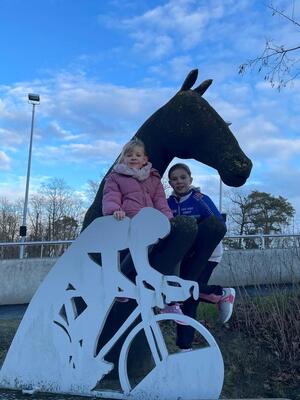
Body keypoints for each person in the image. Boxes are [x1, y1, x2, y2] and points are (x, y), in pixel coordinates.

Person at [102, 139, 198, 318]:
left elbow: (160, 202)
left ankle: (170, 297)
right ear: (123, 159)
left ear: (144, 159)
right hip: (130, 221)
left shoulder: (153, 179)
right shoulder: (116, 177)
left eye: (137, 155)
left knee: (172, 242)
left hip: (151, 222)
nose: (133, 158)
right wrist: (115, 210)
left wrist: (169, 220)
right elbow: (111, 196)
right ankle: (121, 279)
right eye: (129, 155)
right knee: (145, 242)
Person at [167, 163, 236, 350]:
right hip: (185, 255)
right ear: (170, 182)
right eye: (174, 178)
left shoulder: (200, 198)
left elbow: (218, 224)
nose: (179, 182)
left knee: (188, 295)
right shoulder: (169, 203)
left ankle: (185, 346)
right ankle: (221, 294)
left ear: (190, 179)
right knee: (184, 292)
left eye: (182, 177)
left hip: (208, 254)